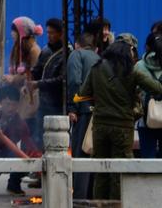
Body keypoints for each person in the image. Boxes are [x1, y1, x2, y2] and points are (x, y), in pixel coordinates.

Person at [76, 34, 162, 200]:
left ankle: (100, 204)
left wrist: (99, 101)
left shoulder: (96, 68)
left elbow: (82, 94)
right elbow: (157, 88)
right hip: (122, 128)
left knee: (100, 171)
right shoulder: (132, 71)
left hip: (100, 126)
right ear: (126, 53)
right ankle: (116, 204)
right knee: (119, 172)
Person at [0, 86, 41, 195]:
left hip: (10, 154)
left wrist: (37, 158)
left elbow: (28, 141)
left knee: (25, 165)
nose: (10, 108)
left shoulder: (20, 123)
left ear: (18, 105)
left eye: (14, 104)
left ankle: (13, 186)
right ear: (1, 102)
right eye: (7, 104)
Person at [67, 21, 100, 200]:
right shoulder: (99, 58)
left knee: (80, 154)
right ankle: (92, 195)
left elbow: (74, 81)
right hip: (99, 111)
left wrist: (72, 107)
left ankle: (79, 198)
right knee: (93, 152)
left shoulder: (76, 54)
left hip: (83, 111)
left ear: (78, 44)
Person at [32, 17, 67, 145]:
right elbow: (37, 71)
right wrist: (27, 75)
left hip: (58, 104)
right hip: (43, 103)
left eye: (52, 33)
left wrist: (38, 84)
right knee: (39, 139)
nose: (49, 36)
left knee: (56, 140)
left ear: (61, 34)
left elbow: (61, 80)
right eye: (48, 32)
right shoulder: (45, 50)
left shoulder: (67, 52)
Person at [136, 31, 162, 158]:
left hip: (145, 118)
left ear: (147, 47)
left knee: (147, 158)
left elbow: (133, 91)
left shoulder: (139, 66)